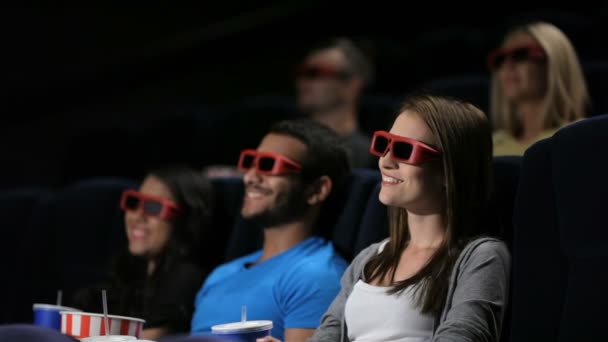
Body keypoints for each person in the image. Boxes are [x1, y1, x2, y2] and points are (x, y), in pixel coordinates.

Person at [258, 94, 511, 342]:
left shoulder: (482, 256)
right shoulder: (370, 258)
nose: (385, 161)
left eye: (403, 150)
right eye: (384, 145)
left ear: (449, 170)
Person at [191, 119, 351, 342]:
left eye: (269, 165)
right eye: (250, 163)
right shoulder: (222, 274)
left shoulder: (316, 276)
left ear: (317, 190)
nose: (250, 177)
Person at [73, 166, 213, 340]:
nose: (137, 216)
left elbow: (148, 340)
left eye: (154, 207)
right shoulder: (128, 275)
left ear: (186, 220)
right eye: (134, 202)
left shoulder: (186, 276)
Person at [488, 21, 589, 156]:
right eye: (500, 59)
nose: (508, 65)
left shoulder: (583, 136)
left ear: (555, 62)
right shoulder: (490, 145)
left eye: (521, 54)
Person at [295, 37, 376, 168]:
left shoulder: (368, 155)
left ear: (351, 85)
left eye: (315, 73)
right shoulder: (288, 143)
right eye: (301, 73)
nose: (302, 81)